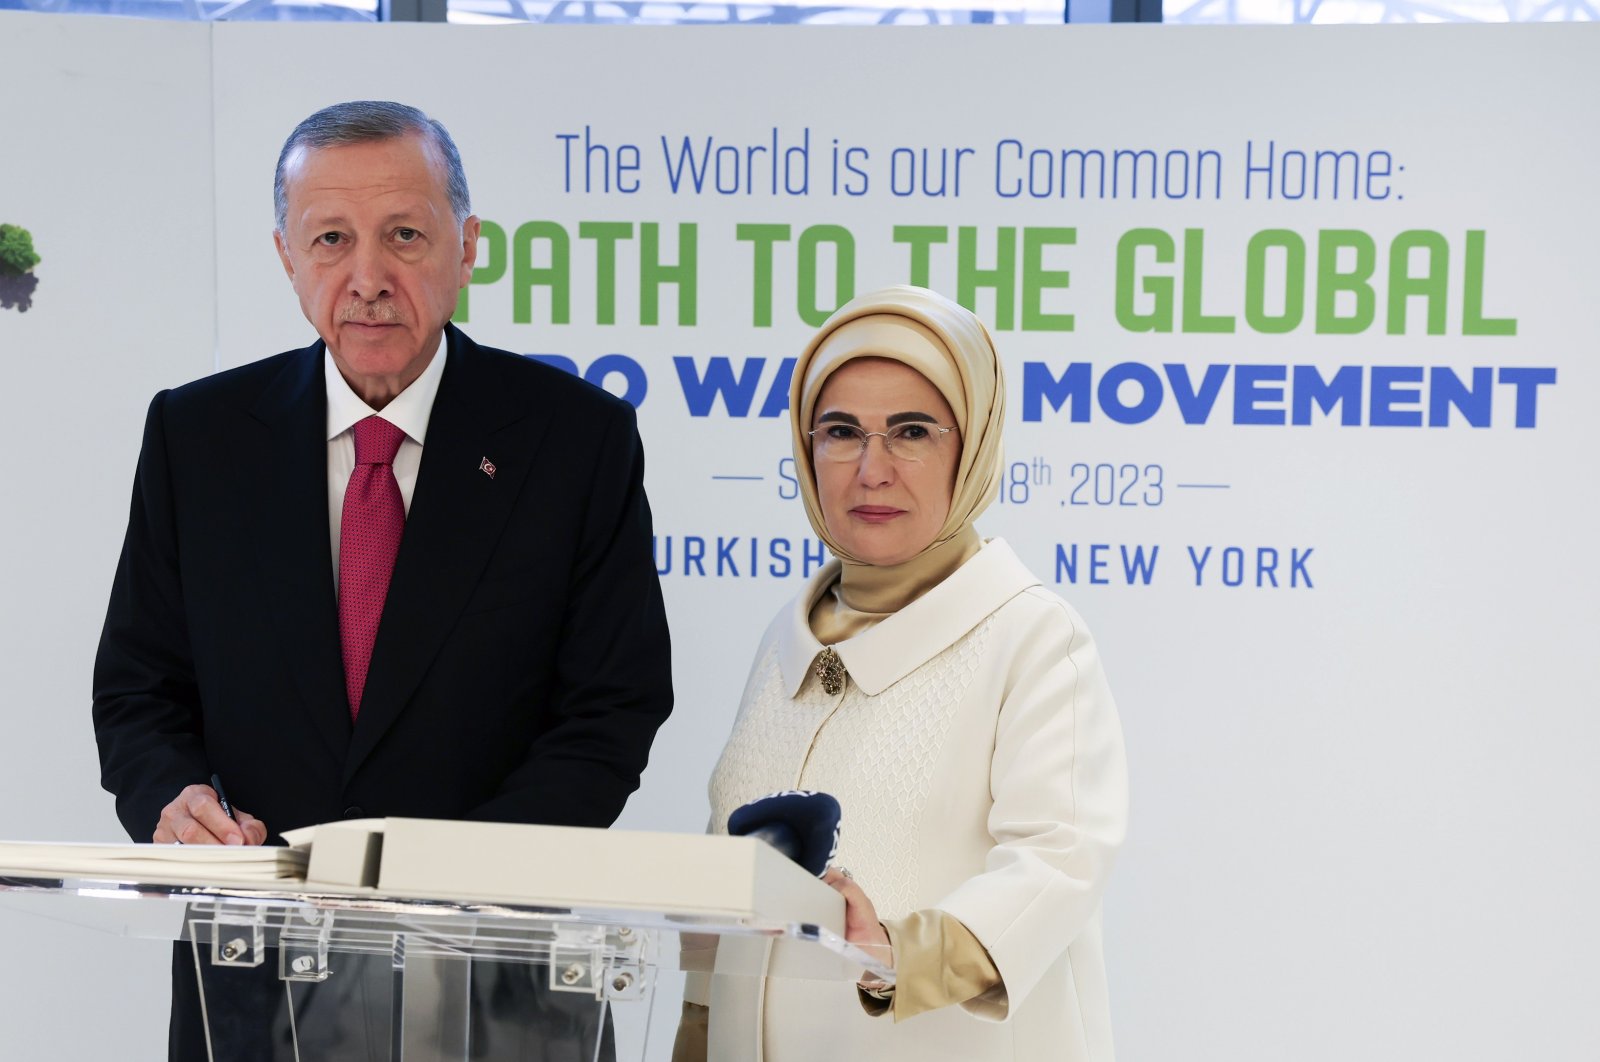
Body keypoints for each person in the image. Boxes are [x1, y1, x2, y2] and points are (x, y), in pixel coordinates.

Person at [91, 101, 673, 1060]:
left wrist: (457, 877)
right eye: (331, 239)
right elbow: (139, 688)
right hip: (256, 982)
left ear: (467, 245)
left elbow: (612, 706)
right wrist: (172, 797)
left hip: (501, 981)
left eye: (405, 234)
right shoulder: (198, 438)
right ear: (287, 257)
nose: (368, 278)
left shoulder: (574, 439)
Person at [688, 286, 1127, 1061]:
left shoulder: (1030, 635)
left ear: (973, 447)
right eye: (841, 432)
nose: (872, 469)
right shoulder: (784, 640)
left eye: (912, 432)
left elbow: (1057, 864)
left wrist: (900, 952)